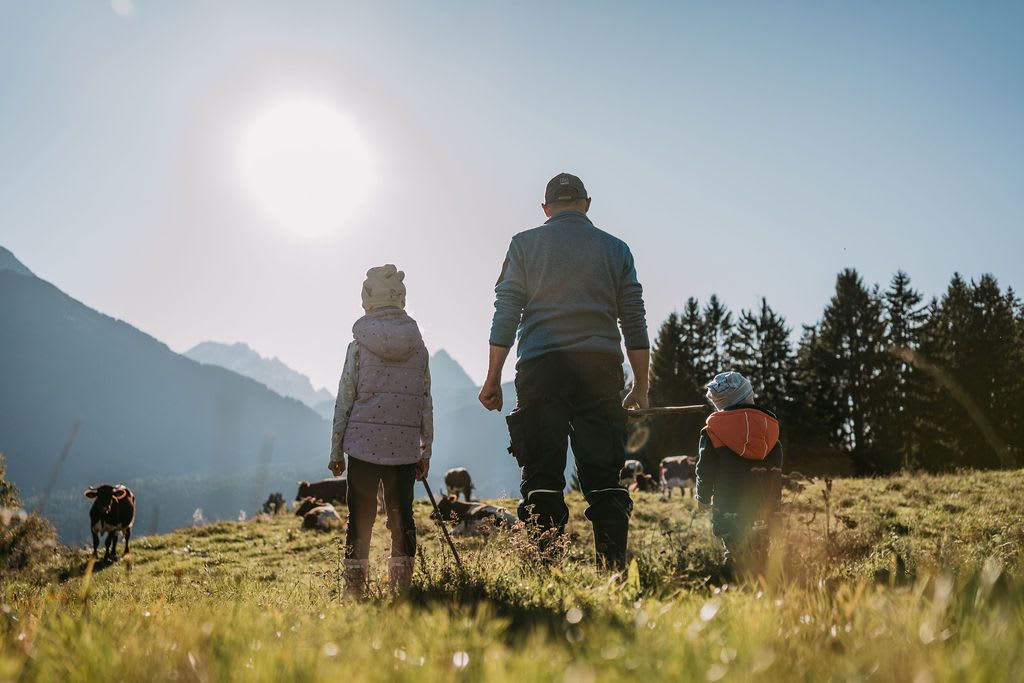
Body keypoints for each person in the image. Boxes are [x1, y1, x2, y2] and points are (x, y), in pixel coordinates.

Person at [480, 172, 650, 570]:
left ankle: (546, 572)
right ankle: (613, 572)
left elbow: (506, 311)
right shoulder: (616, 249)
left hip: (541, 368)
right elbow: (633, 318)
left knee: (542, 474)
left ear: (545, 209)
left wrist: (492, 378)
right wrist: (641, 385)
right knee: (604, 476)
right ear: (586, 204)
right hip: (600, 367)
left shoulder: (524, 245)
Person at [329, 264, 433, 597]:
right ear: (400, 297)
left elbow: (345, 398)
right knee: (402, 519)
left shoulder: (358, 345)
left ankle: (354, 591)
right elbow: (424, 401)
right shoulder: (418, 347)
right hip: (404, 448)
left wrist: (336, 450)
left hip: (362, 446)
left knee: (360, 518)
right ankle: (401, 590)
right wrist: (425, 450)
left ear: (368, 298)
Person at [694, 371, 783, 579]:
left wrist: (703, 496)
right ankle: (764, 582)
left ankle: (731, 583)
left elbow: (705, 468)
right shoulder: (770, 429)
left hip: (728, 503)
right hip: (763, 503)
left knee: (734, 550)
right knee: (760, 547)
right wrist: (775, 502)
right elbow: (776, 472)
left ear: (718, 403)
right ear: (749, 395)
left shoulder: (713, 431)